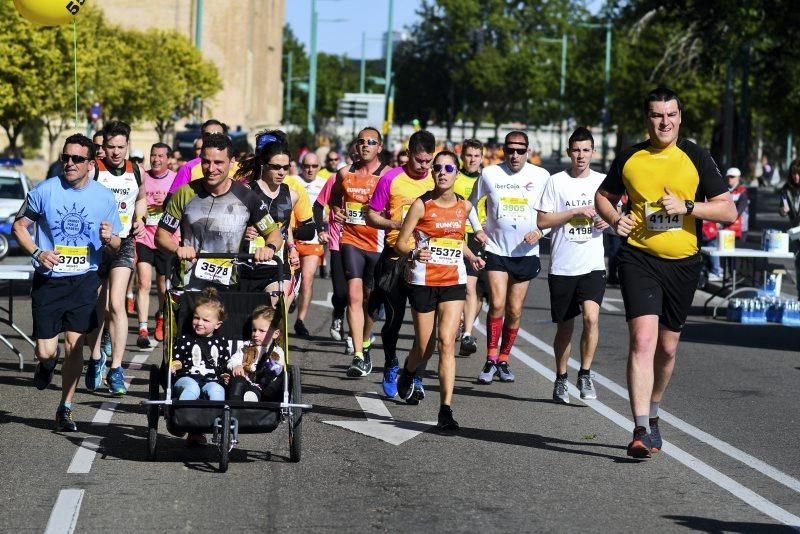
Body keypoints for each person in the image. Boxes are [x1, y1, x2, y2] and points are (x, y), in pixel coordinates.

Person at [594, 85, 737, 458]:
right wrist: (614, 219)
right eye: (658, 115)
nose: (665, 122)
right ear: (648, 119)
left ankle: (654, 411)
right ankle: (640, 428)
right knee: (643, 340)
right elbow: (603, 197)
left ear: (679, 117)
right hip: (639, 258)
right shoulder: (631, 157)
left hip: (684, 263)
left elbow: (727, 211)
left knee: (668, 348)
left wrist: (688, 206)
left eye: (671, 114)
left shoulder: (695, 156)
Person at [13, 134, 121, 431]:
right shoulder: (45, 190)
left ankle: (65, 408)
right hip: (49, 280)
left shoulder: (103, 197)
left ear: (90, 163)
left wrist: (109, 238)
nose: (69, 163)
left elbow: (117, 245)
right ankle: (46, 364)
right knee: (46, 350)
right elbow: (19, 226)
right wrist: (38, 252)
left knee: (75, 345)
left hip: (84, 279)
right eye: (66, 158)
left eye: (76, 159)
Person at [394, 151, 485, 430]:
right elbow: (401, 242)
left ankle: (445, 409)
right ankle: (409, 371)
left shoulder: (465, 207)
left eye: (448, 168)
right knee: (425, 345)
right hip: (424, 281)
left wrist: (471, 256)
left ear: (457, 174)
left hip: (453, 281)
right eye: (437, 168)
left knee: (447, 341)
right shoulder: (422, 205)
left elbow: (456, 241)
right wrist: (413, 253)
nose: (442, 172)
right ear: (432, 174)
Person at [468, 130, 550, 385]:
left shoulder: (542, 176)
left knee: (514, 311)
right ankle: (490, 358)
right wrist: (478, 230)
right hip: (496, 250)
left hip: (526, 253)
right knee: (498, 303)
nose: (514, 155)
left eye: (520, 150)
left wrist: (541, 231)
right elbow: (469, 205)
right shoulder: (490, 173)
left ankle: (504, 359)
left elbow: (551, 214)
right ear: (503, 150)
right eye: (510, 150)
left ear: (529, 151)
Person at [536, 127, 608, 403]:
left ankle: (585, 373)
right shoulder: (556, 182)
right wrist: (575, 212)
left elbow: (616, 217)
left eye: (586, 150)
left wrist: (607, 221)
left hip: (592, 264)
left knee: (591, 318)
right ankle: (561, 377)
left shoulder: (602, 182)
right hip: (564, 266)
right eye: (576, 150)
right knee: (565, 328)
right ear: (569, 152)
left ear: (593, 152)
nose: (581, 155)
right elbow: (543, 222)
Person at [156, 133, 283, 290]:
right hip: (188, 283)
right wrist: (177, 249)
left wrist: (269, 248)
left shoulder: (247, 196)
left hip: (228, 285)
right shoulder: (184, 193)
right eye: (206, 162)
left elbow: (275, 235)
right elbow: (161, 235)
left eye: (218, 162)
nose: (211, 169)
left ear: (231, 162)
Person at [366, 130, 436, 400]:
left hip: (426, 261)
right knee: (394, 319)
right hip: (396, 257)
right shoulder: (391, 178)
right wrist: (396, 224)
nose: (424, 167)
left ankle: (416, 375)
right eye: (419, 160)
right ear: (409, 154)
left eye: (428, 161)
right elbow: (371, 215)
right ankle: (392, 363)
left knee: (425, 327)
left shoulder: (436, 179)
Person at [87, 120, 147, 396]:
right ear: (104, 146)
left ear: (127, 145)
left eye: (121, 147)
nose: (115, 152)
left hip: (124, 242)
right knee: (98, 305)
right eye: (110, 147)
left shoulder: (136, 170)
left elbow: (141, 198)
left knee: (116, 303)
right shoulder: (94, 170)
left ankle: (117, 368)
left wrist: (140, 218)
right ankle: (97, 357)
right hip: (95, 246)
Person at [329, 127, 390, 377]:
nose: (365, 145)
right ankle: (357, 355)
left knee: (371, 303)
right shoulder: (344, 173)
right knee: (354, 297)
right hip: (351, 241)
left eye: (371, 142)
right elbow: (333, 199)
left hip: (377, 246)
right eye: (361, 141)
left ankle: (365, 341)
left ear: (380, 147)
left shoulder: (388, 175)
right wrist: (337, 211)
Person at [233, 131, 310, 300]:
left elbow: (284, 225)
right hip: (247, 265)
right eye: (276, 167)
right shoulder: (246, 192)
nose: (281, 172)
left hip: (277, 265)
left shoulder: (292, 195)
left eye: (285, 167)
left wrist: (291, 247)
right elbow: (228, 225)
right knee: (248, 321)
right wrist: (243, 231)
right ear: (263, 164)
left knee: (275, 309)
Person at [170, 287, 231, 445]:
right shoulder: (185, 339)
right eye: (196, 318)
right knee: (193, 388)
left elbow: (224, 365)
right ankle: (182, 419)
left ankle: (213, 423)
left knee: (217, 390)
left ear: (217, 324)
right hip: (186, 378)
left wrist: (225, 376)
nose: (199, 323)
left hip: (212, 380)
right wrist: (174, 367)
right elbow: (177, 359)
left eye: (205, 320)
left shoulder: (222, 343)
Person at [134, 142, 178, 347]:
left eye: (161, 156)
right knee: (142, 282)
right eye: (153, 155)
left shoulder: (176, 179)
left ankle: (160, 316)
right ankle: (143, 328)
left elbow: (182, 207)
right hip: (144, 236)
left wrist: (166, 202)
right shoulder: (142, 176)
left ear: (168, 159)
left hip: (165, 238)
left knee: (163, 286)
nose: (156, 159)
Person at [287, 153, 328, 337]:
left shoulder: (324, 183)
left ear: (319, 166)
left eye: (314, 166)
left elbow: (329, 210)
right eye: (306, 166)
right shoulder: (292, 180)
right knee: (289, 279)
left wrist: (324, 225)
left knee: (307, 279)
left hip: (312, 240)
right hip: (292, 238)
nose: (310, 169)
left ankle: (300, 321)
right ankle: (291, 299)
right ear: (301, 166)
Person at [454, 139, 486, 356]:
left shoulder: (488, 179)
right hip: (454, 236)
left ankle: (467, 332)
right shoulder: (454, 177)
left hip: (477, 237)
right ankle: (457, 322)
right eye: (469, 155)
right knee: (457, 286)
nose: (472, 159)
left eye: (476, 155)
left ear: (482, 157)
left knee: (473, 289)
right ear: (462, 156)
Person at [314, 170, 348, 342]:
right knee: (342, 292)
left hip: (366, 244)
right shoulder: (336, 178)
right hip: (338, 244)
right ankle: (339, 313)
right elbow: (318, 205)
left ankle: (357, 337)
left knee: (363, 296)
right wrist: (321, 230)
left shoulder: (377, 179)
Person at [228, 305, 285, 402]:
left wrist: (273, 368)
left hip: (262, 386)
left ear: (275, 334)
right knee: (237, 381)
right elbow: (233, 360)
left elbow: (279, 371)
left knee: (261, 389)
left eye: (261, 331)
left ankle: (252, 400)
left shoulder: (277, 351)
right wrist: (236, 365)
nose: (256, 334)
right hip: (244, 381)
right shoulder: (245, 346)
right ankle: (234, 405)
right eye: (254, 330)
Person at [706, 167, 749, 281]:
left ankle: (736, 279)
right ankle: (729, 277)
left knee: (736, 256)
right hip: (726, 229)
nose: (730, 179)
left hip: (740, 229)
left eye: (732, 177)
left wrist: (725, 218)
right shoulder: (725, 191)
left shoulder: (742, 191)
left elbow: (739, 211)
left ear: (738, 178)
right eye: (728, 177)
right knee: (726, 254)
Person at [168, 120, 229, 194]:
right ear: (202, 137)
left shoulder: (237, 167)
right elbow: (173, 199)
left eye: (217, 134)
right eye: (207, 135)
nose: (212, 138)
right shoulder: (188, 168)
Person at [778, 159, 800, 298]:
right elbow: (781, 209)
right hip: (796, 233)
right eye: (793, 174)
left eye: (798, 174)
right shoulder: (787, 189)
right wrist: (782, 210)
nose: (796, 177)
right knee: (798, 263)